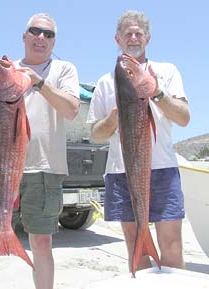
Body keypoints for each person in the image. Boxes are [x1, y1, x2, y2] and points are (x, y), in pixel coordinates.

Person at [0, 13, 80, 289]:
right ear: (24, 36)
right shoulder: (8, 71)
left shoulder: (64, 70)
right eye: (35, 31)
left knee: (41, 242)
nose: (41, 38)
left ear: (54, 41)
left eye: (49, 34)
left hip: (44, 169)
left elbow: (72, 110)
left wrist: (39, 83)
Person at [87, 10, 190, 273]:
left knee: (172, 244)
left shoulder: (167, 71)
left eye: (138, 33)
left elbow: (184, 117)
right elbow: (96, 134)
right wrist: (113, 118)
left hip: (163, 168)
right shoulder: (105, 82)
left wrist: (156, 93)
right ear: (117, 39)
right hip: (121, 173)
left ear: (148, 38)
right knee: (134, 243)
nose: (133, 37)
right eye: (127, 33)